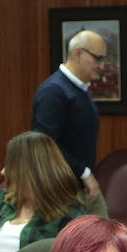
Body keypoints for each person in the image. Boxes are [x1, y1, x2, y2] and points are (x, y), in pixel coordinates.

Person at [31, 29, 105, 204]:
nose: (101, 66)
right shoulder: (53, 91)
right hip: (59, 192)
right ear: (78, 53)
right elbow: (45, 144)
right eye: (97, 58)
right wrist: (84, 173)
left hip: (79, 186)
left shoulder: (81, 89)